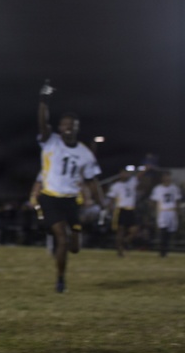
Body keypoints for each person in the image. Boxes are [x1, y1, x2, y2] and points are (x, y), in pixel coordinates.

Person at [35, 80, 105, 293]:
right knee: (63, 240)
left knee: (74, 247)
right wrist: (43, 100)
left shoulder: (85, 153)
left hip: (71, 200)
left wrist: (102, 204)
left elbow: (93, 181)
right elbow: (42, 123)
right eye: (65, 124)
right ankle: (60, 279)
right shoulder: (50, 141)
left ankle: (63, 241)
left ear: (77, 128)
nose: (68, 128)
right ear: (59, 127)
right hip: (50, 197)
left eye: (72, 125)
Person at [106, 167, 145, 256]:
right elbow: (111, 199)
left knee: (134, 230)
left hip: (131, 209)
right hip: (121, 209)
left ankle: (125, 242)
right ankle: (119, 250)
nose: (124, 175)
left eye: (126, 173)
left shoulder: (132, 182)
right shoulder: (116, 186)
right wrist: (111, 209)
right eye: (122, 173)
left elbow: (139, 175)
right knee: (120, 231)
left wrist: (146, 168)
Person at [149, 171, 182, 257]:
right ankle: (162, 251)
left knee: (170, 232)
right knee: (163, 230)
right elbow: (153, 201)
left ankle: (166, 249)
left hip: (172, 211)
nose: (167, 179)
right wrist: (154, 210)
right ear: (162, 178)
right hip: (163, 211)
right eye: (165, 177)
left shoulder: (174, 188)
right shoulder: (157, 188)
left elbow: (177, 201)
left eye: (168, 177)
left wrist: (178, 212)